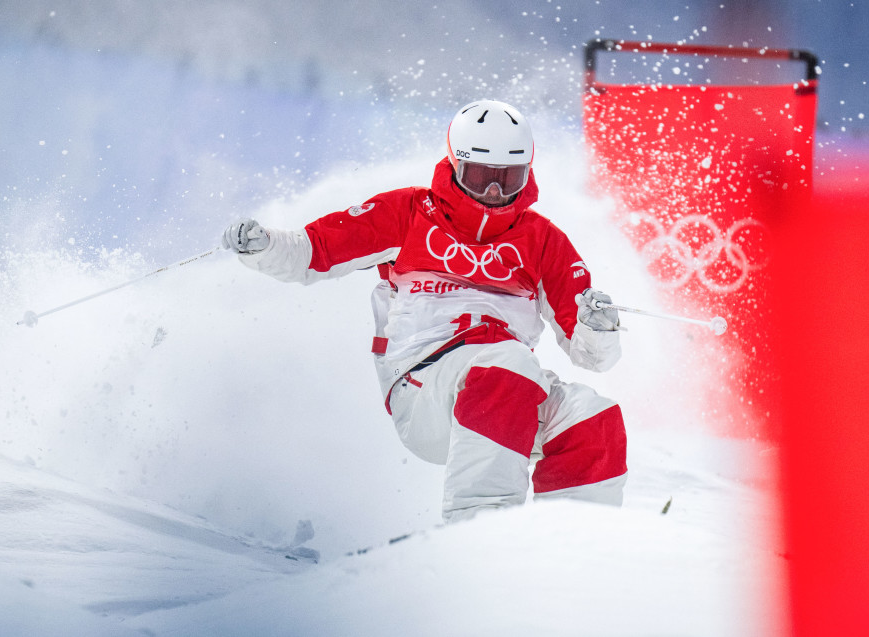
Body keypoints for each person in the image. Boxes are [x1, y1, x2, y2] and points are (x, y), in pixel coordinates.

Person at [222, 99, 627, 523]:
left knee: (591, 416)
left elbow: (592, 356)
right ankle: (481, 533)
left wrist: (598, 328)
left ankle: (573, 544)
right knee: (508, 362)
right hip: (426, 387)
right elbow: (312, 251)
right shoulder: (409, 214)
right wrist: (264, 245)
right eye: (482, 176)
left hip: (507, 393)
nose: (494, 193)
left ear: (527, 173)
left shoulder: (543, 241)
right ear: (455, 165)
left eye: (508, 179)